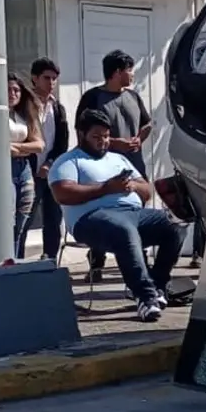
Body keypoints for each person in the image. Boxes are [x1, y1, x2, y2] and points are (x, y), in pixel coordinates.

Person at [48, 109, 184, 322]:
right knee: (123, 230)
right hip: (92, 219)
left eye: (106, 136)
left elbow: (147, 191)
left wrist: (132, 186)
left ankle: (157, 285)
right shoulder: (68, 162)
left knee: (173, 224)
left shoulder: (119, 158)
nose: (103, 141)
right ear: (81, 134)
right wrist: (105, 188)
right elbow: (62, 193)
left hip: (133, 213)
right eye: (96, 137)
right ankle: (145, 298)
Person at [75, 50, 153, 281]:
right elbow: (81, 132)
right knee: (104, 211)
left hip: (134, 165)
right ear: (117, 72)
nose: (132, 75)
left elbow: (147, 123)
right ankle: (97, 261)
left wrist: (140, 137)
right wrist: (113, 143)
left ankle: (140, 258)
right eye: (129, 70)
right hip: (103, 164)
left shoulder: (134, 97)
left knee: (136, 209)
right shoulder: (92, 98)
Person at [27, 58, 69, 260]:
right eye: (46, 78)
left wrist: (50, 163)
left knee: (53, 219)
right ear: (35, 78)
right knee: (24, 219)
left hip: (51, 171)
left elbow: (62, 141)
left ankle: (50, 259)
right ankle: (16, 261)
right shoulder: (24, 104)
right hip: (27, 170)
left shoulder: (57, 107)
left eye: (54, 79)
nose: (51, 83)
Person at [8, 73, 44, 259]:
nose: (13, 93)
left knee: (21, 223)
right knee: (7, 221)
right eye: (8, 90)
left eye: (16, 90)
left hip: (24, 169)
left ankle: (16, 262)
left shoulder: (24, 114)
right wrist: (23, 148)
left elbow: (38, 145)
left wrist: (16, 148)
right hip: (4, 170)